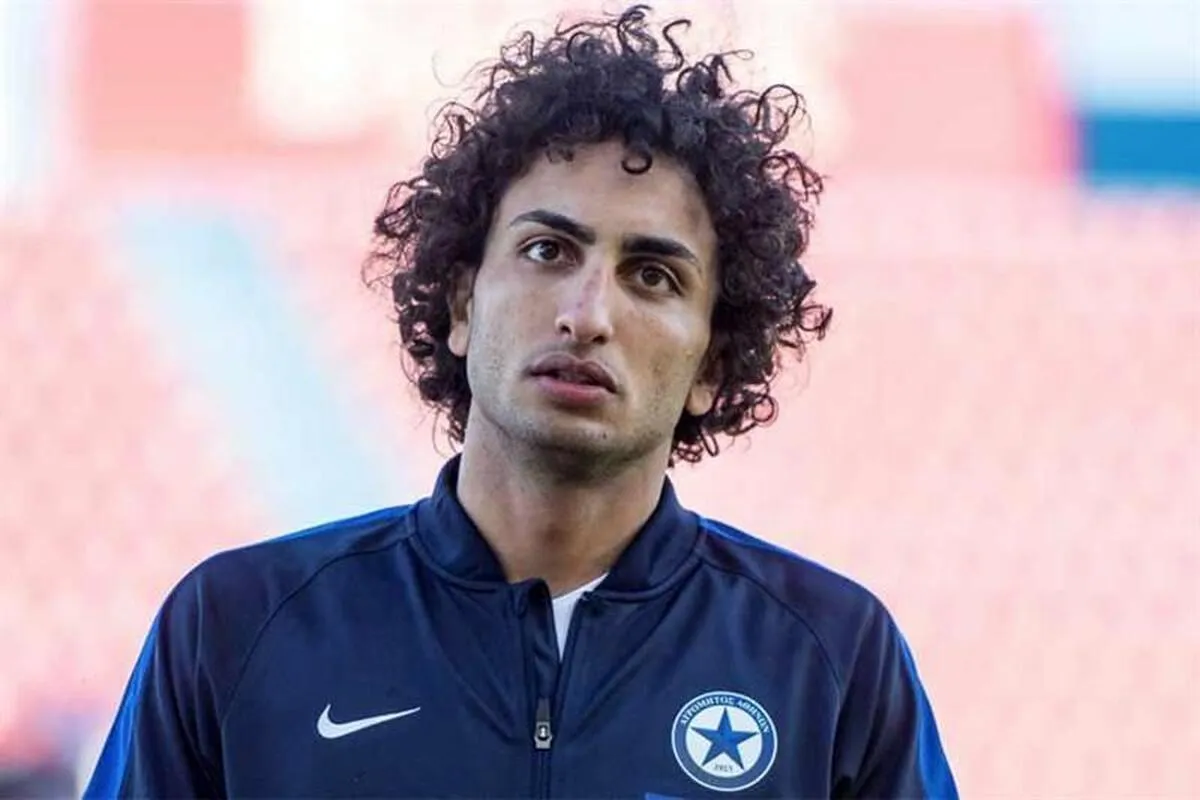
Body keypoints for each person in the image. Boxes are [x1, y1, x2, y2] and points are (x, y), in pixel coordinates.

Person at [84, 5, 957, 797]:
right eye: (547, 251)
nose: (587, 314)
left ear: (713, 364)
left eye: (652, 276)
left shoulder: (830, 660)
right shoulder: (235, 628)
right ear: (461, 304)